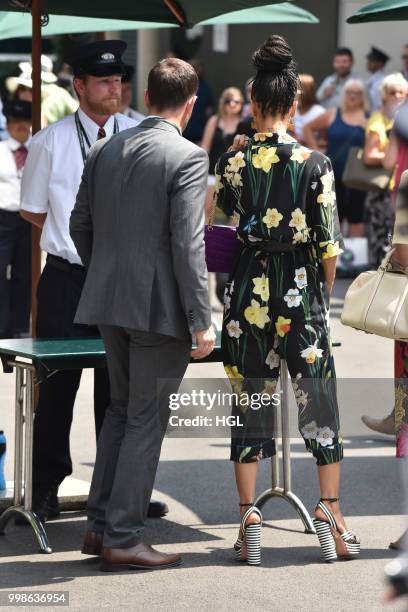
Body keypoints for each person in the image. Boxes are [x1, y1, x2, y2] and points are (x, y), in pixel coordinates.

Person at [215, 34, 360, 566]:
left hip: (250, 285)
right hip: (300, 288)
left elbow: (223, 220)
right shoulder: (315, 163)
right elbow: (329, 245)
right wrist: (319, 294)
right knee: (318, 397)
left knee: (251, 397)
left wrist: (234, 158)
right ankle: (331, 512)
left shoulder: (233, 161)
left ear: (253, 103)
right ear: (294, 104)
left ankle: (249, 515)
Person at [70, 57, 215, 571]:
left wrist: (106, 270)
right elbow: (187, 246)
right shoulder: (188, 156)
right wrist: (202, 316)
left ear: (147, 97)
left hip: (109, 297)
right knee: (144, 420)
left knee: (120, 411)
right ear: (191, 104)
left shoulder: (106, 145)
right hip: (157, 307)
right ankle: (124, 535)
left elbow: (78, 223)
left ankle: (100, 526)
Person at [19, 40, 166, 524]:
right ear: (78, 85)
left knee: (122, 390)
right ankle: (44, 489)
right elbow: (34, 213)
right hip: (69, 277)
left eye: (120, 80)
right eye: (104, 81)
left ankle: (123, 492)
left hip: (123, 277)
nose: (115, 88)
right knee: (56, 390)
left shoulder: (140, 133)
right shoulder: (50, 141)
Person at [303, 79, 367, 237]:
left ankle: (355, 260)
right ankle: (334, 259)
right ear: (344, 95)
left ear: (363, 96)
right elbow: (307, 128)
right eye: (349, 92)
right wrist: (317, 152)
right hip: (332, 174)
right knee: (332, 216)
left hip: (357, 177)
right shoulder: (333, 113)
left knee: (356, 216)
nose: (353, 96)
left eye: (357, 93)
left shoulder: (369, 117)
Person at [362, 73, 407, 267]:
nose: (397, 96)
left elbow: (389, 162)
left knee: (401, 249)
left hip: (403, 189)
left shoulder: (400, 121)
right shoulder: (380, 119)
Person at [0, 101, 32, 339]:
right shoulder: (1, 150)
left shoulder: (37, 148)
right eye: (15, 122)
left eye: (25, 122)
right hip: (4, 217)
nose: (21, 127)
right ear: (8, 124)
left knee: (25, 273)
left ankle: (20, 325)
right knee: (1, 271)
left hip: (29, 218)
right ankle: (2, 324)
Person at [7, 55, 78, 125]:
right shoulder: (61, 92)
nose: (26, 93)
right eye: (22, 88)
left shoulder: (55, 94)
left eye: (31, 90)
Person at [183, 59, 214, 144]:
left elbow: (209, 111)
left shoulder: (206, 89)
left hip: (199, 133)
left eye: (196, 68)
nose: (195, 71)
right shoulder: (182, 87)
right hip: (184, 131)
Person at [293, 73, 325, 143]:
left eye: (299, 88)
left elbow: (324, 141)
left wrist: (306, 142)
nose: (296, 92)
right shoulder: (293, 111)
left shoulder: (319, 112)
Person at [366, 46, 390, 112]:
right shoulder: (371, 80)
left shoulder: (383, 82)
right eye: (369, 60)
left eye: (372, 61)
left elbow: (381, 106)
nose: (368, 63)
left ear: (380, 64)